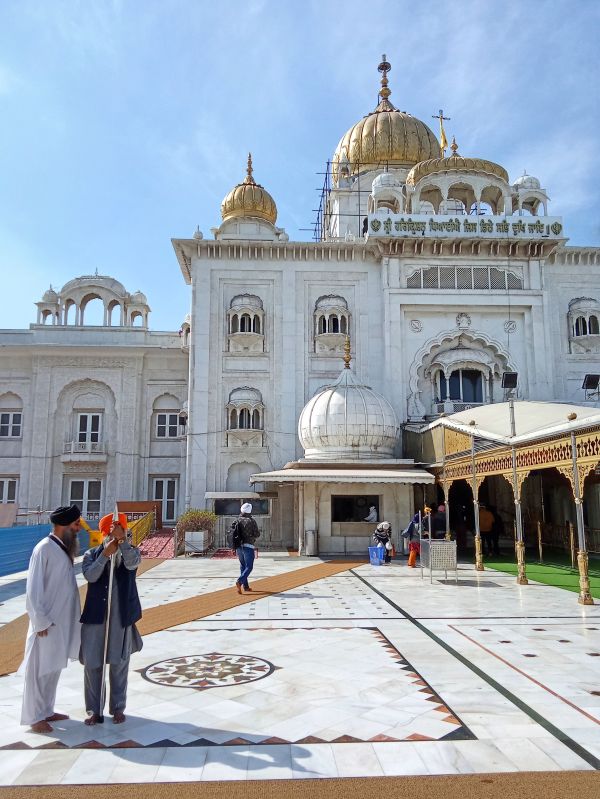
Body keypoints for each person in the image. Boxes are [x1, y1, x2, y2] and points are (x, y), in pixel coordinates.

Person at [20, 504, 82, 733]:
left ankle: (46, 710)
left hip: (61, 621)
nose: (78, 528)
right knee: (38, 670)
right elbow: (33, 589)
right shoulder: (43, 549)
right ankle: (33, 717)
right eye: (76, 524)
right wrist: (40, 620)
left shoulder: (62, 549)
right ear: (63, 525)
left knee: (53, 667)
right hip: (45, 623)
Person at [80, 512, 142, 725]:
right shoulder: (91, 554)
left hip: (120, 617)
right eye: (113, 532)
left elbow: (132, 564)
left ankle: (118, 708)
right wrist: (105, 555)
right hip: (96, 617)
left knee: (119, 663)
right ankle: (94, 710)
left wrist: (122, 542)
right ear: (105, 534)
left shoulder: (131, 552)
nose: (116, 536)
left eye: (121, 531)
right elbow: (90, 576)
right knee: (93, 663)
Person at [234, 502, 260, 594]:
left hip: (238, 546)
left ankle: (246, 587)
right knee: (249, 567)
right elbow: (257, 534)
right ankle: (240, 581)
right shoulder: (251, 521)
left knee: (243, 565)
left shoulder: (237, 520)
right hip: (248, 546)